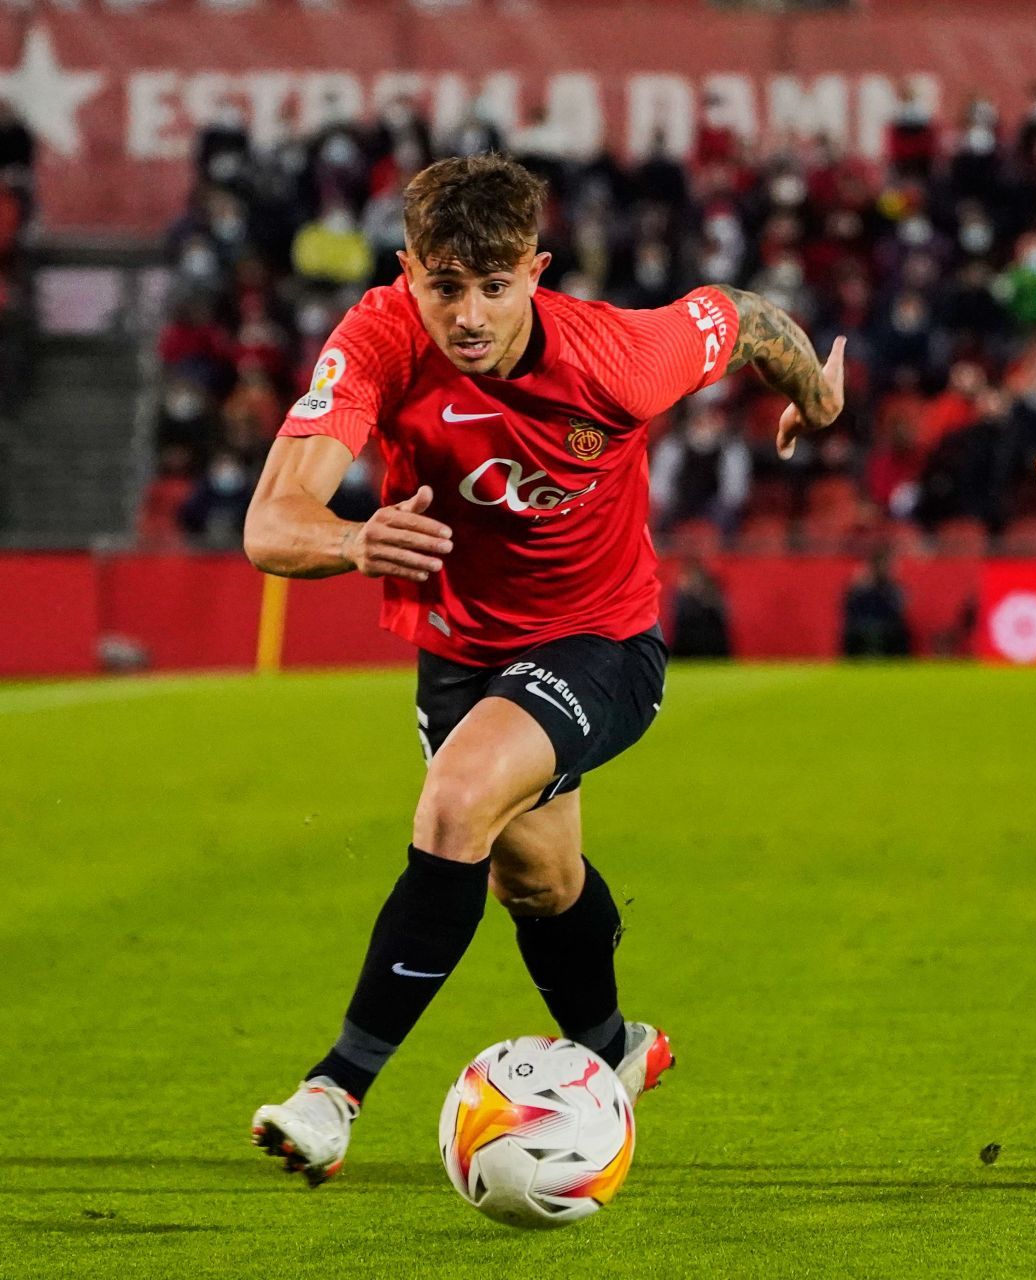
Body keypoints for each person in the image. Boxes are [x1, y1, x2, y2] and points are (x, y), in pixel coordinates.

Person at [241, 154, 844, 1185]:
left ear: (537, 269)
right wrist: (351, 540)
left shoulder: (618, 356)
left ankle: (334, 1089)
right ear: (407, 270)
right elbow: (270, 519)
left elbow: (741, 317)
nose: (468, 314)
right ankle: (612, 1043)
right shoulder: (378, 340)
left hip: (602, 641)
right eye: (444, 284)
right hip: (460, 647)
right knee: (538, 877)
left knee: (456, 800)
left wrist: (817, 403)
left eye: (494, 284)